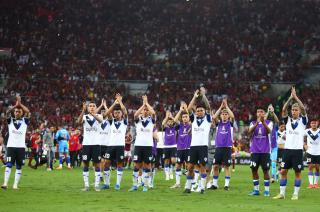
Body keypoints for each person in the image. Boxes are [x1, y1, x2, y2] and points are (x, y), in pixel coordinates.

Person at [273, 87, 308, 200]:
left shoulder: (303, 121)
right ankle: (282, 194)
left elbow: (303, 108)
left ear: (299, 112)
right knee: (283, 171)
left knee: (297, 173)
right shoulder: (288, 121)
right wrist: (290, 98)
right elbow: (283, 110)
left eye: (296, 110)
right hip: (287, 150)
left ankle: (295, 194)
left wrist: (296, 97)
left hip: (297, 151)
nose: (294, 112)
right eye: (293, 110)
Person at [184, 88, 212, 194]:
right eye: (198, 110)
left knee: (202, 167)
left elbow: (208, 107)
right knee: (190, 167)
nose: (199, 112)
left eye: (201, 111)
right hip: (193, 146)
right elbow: (189, 108)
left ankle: (202, 187)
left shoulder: (208, 119)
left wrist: (203, 95)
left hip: (203, 146)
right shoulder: (194, 119)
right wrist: (195, 97)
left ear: (204, 112)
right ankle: (188, 186)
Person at [1, 96, 30, 190]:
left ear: (22, 113)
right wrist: (15, 106)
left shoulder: (25, 121)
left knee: (19, 166)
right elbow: (7, 112)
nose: (17, 112)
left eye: (19, 111)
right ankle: (5, 183)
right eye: (16, 111)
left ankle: (15, 185)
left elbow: (28, 111)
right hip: (11, 146)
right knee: (9, 164)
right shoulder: (10, 121)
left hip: (21, 147)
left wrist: (20, 104)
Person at [129, 95, 156, 192]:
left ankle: (145, 185)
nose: (146, 111)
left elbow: (153, 112)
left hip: (148, 146)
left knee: (147, 166)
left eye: (147, 110)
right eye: (144, 110)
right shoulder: (138, 121)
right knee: (136, 165)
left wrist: (146, 103)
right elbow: (135, 114)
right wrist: (143, 104)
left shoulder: (151, 121)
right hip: (138, 146)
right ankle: (135, 185)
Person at [77, 101, 103, 192]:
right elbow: (78, 121)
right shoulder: (85, 117)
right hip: (86, 144)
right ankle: (86, 186)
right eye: (90, 106)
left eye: (93, 106)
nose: (92, 107)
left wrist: (93, 114)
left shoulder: (99, 116)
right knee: (85, 164)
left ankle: (96, 185)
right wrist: (83, 111)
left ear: (96, 108)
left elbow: (100, 121)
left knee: (97, 165)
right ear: (87, 108)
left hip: (96, 144)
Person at [103, 94, 128, 190]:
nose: (117, 114)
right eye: (115, 113)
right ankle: (106, 184)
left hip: (120, 146)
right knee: (106, 163)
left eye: (118, 112)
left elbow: (125, 111)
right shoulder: (111, 121)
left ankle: (117, 184)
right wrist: (114, 103)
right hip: (111, 146)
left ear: (121, 114)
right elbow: (106, 113)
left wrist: (120, 101)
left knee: (119, 164)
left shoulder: (124, 122)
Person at [248, 107, 273, 197]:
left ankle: (266, 191)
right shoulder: (252, 123)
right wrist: (257, 123)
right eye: (258, 112)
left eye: (261, 112)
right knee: (254, 170)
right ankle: (256, 190)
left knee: (265, 171)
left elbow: (269, 131)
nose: (259, 113)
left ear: (264, 114)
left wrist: (263, 123)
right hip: (254, 151)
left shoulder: (269, 123)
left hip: (265, 151)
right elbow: (249, 131)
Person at [210, 99, 235, 191]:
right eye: (223, 114)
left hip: (227, 147)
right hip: (218, 148)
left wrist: (226, 107)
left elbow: (233, 116)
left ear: (227, 116)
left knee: (227, 167)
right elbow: (213, 117)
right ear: (220, 115)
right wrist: (221, 107)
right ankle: (215, 184)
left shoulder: (230, 124)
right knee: (215, 166)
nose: (224, 115)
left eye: (226, 114)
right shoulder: (218, 124)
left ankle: (226, 185)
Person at [170, 102, 191, 189]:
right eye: (183, 117)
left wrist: (186, 110)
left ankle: (189, 183)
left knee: (189, 166)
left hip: (188, 148)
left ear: (188, 118)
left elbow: (192, 119)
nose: (184, 118)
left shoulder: (191, 125)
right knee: (178, 165)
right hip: (180, 148)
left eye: (186, 117)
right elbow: (174, 120)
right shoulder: (180, 126)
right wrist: (180, 110)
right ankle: (178, 183)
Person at [304, 118, 320, 188]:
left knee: (317, 168)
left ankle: (316, 184)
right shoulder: (307, 131)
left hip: (318, 152)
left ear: (317, 124)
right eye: (312, 123)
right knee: (310, 167)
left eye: (315, 123)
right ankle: (311, 184)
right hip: (310, 152)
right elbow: (300, 137)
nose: (313, 124)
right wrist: (304, 145)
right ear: (310, 124)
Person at [162, 111, 177, 181]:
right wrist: (167, 117)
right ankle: (167, 174)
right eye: (169, 122)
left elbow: (176, 121)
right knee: (166, 161)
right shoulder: (165, 128)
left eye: (171, 122)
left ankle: (171, 171)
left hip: (173, 146)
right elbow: (163, 123)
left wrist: (171, 117)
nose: (170, 123)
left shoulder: (175, 127)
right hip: (166, 146)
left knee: (173, 161)